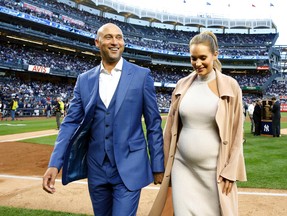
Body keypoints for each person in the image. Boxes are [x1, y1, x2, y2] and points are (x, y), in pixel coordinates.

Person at [42, 23, 164, 216]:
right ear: (97, 42)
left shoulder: (142, 76)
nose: (115, 42)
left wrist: (158, 165)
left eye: (119, 37)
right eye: (108, 37)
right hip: (96, 168)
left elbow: (154, 124)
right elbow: (70, 123)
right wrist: (55, 163)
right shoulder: (84, 79)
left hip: (130, 165)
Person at [149, 31, 246, 216]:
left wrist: (231, 171)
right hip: (182, 167)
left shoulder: (231, 86)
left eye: (203, 58)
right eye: (193, 58)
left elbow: (236, 133)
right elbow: (169, 130)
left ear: (215, 54)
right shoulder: (181, 85)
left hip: (214, 173)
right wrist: (161, 166)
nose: (197, 63)